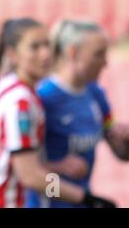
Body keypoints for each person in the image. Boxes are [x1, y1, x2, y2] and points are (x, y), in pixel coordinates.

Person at [0, 18, 115, 208]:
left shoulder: (9, 86)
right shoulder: (21, 102)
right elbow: (31, 177)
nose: (45, 54)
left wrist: (56, 167)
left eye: (47, 45)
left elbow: (15, 164)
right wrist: (84, 198)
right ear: (13, 54)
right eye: (34, 47)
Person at [26, 19, 129, 208]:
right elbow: (24, 170)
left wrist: (124, 140)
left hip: (84, 200)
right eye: (98, 54)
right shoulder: (43, 98)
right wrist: (57, 169)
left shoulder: (96, 94)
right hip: (49, 202)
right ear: (72, 52)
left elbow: (121, 153)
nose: (105, 62)